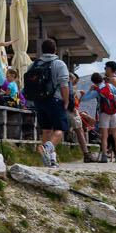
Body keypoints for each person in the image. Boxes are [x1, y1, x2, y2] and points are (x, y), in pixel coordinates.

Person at [24, 38, 71, 166]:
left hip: (38, 101)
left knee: (46, 129)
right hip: (55, 99)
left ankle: (51, 160)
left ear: (42, 50)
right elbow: (64, 84)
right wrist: (66, 101)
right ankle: (47, 149)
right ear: (55, 49)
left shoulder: (33, 65)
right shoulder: (59, 64)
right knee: (60, 129)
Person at [87, 72, 116, 162]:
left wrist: (89, 90)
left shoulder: (97, 91)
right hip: (114, 113)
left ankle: (104, 156)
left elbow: (85, 99)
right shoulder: (110, 86)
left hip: (103, 113)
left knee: (104, 136)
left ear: (94, 82)